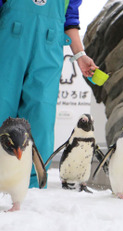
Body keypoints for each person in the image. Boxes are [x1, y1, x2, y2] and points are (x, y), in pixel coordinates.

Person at [0, 0, 98, 188]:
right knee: (1, 107)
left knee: (41, 119)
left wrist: (80, 55)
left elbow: (70, 18)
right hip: (8, 44)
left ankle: (34, 185)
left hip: (48, 48)